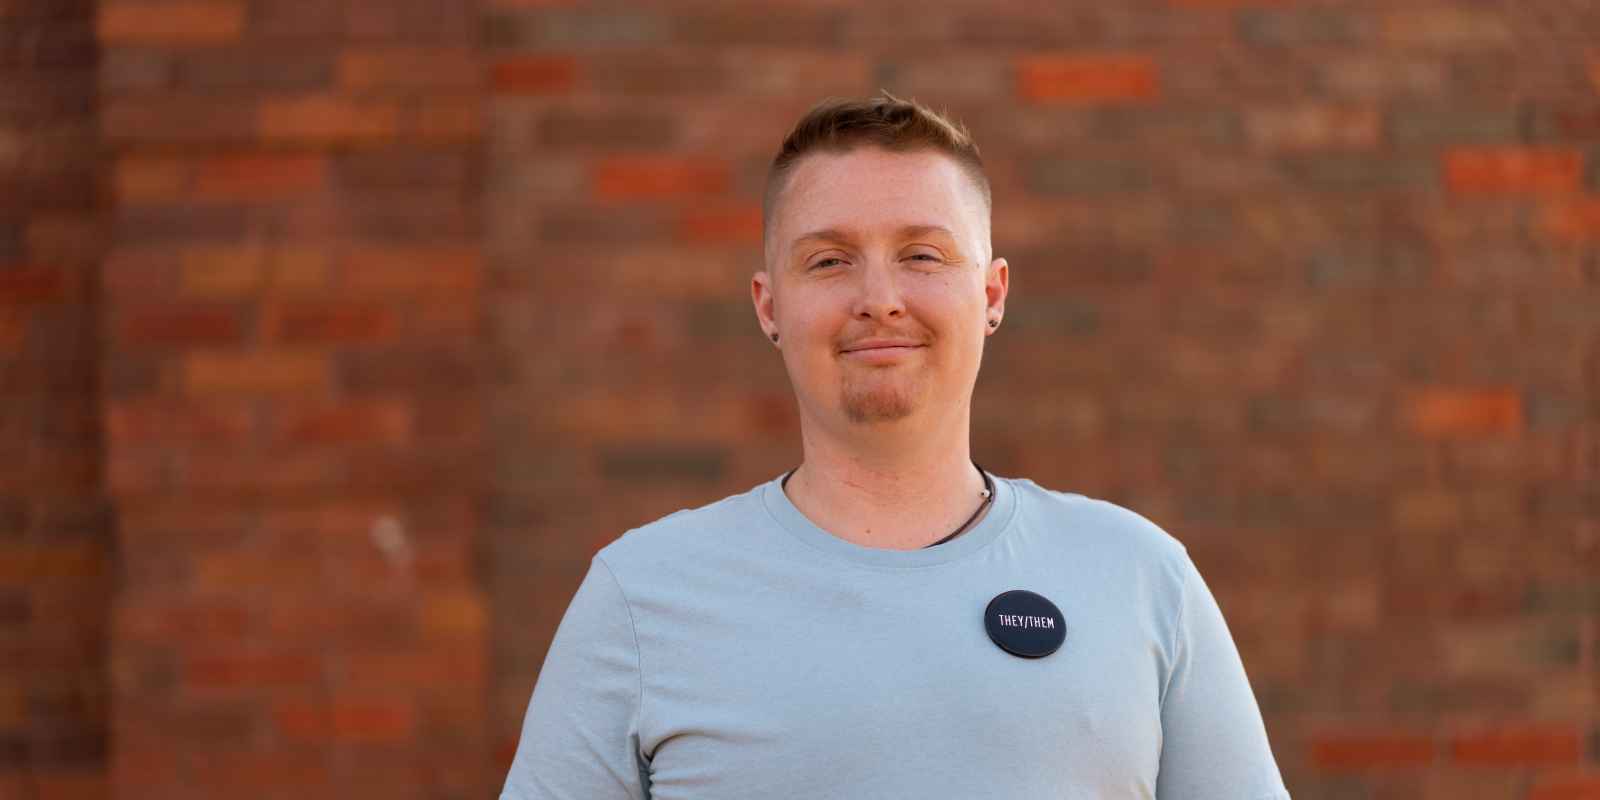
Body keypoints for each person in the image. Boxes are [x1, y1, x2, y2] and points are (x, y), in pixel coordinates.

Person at [499, 92, 1291, 799]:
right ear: (769, 306)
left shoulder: (1140, 577)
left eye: (922, 255)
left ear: (991, 294)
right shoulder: (642, 598)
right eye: (830, 260)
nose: (879, 300)